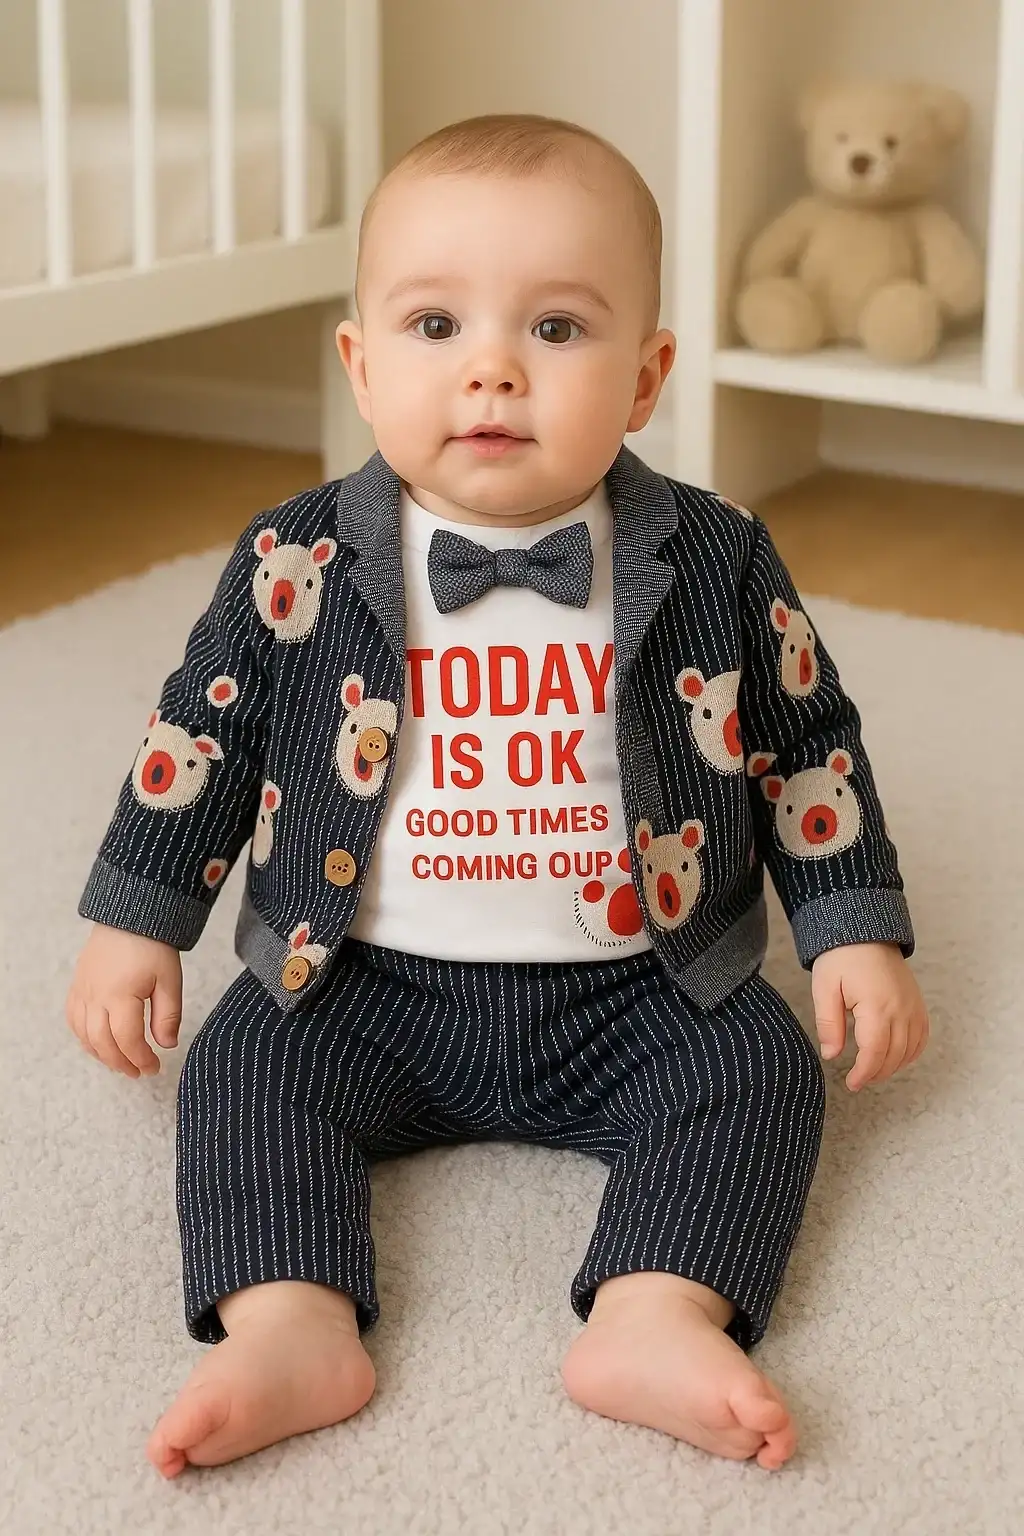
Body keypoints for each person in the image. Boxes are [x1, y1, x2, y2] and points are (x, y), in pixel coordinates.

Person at [66, 114, 929, 1480]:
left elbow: (806, 746)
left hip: (642, 987)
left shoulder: (714, 556)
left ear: (645, 378)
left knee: (758, 1070)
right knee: (241, 1069)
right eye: (433, 325)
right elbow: (202, 737)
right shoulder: (296, 559)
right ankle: (288, 1320)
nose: (492, 370)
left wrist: (850, 931)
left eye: (557, 329)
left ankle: (656, 1309)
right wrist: (138, 920)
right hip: (358, 984)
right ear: (360, 363)